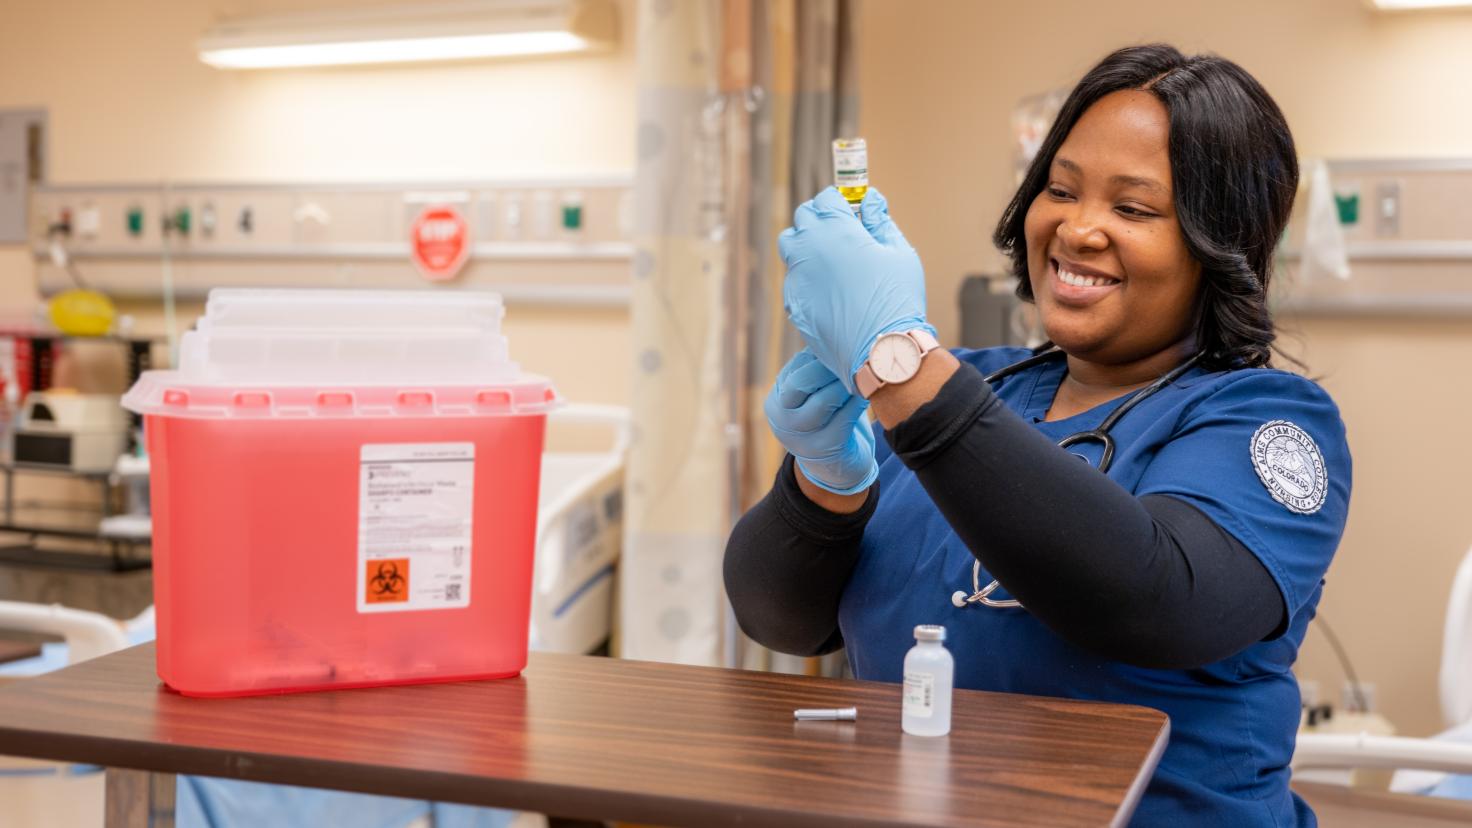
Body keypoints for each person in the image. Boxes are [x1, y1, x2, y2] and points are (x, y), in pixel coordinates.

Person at [724, 43, 1351, 825]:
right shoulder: (972, 390)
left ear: (1216, 245)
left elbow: (1158, 600)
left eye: (1133, 209)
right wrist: (824, 482)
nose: (1078, 228)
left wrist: (903, 368)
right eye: (1060, 189)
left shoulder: (1268, 421)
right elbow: (783, 622)